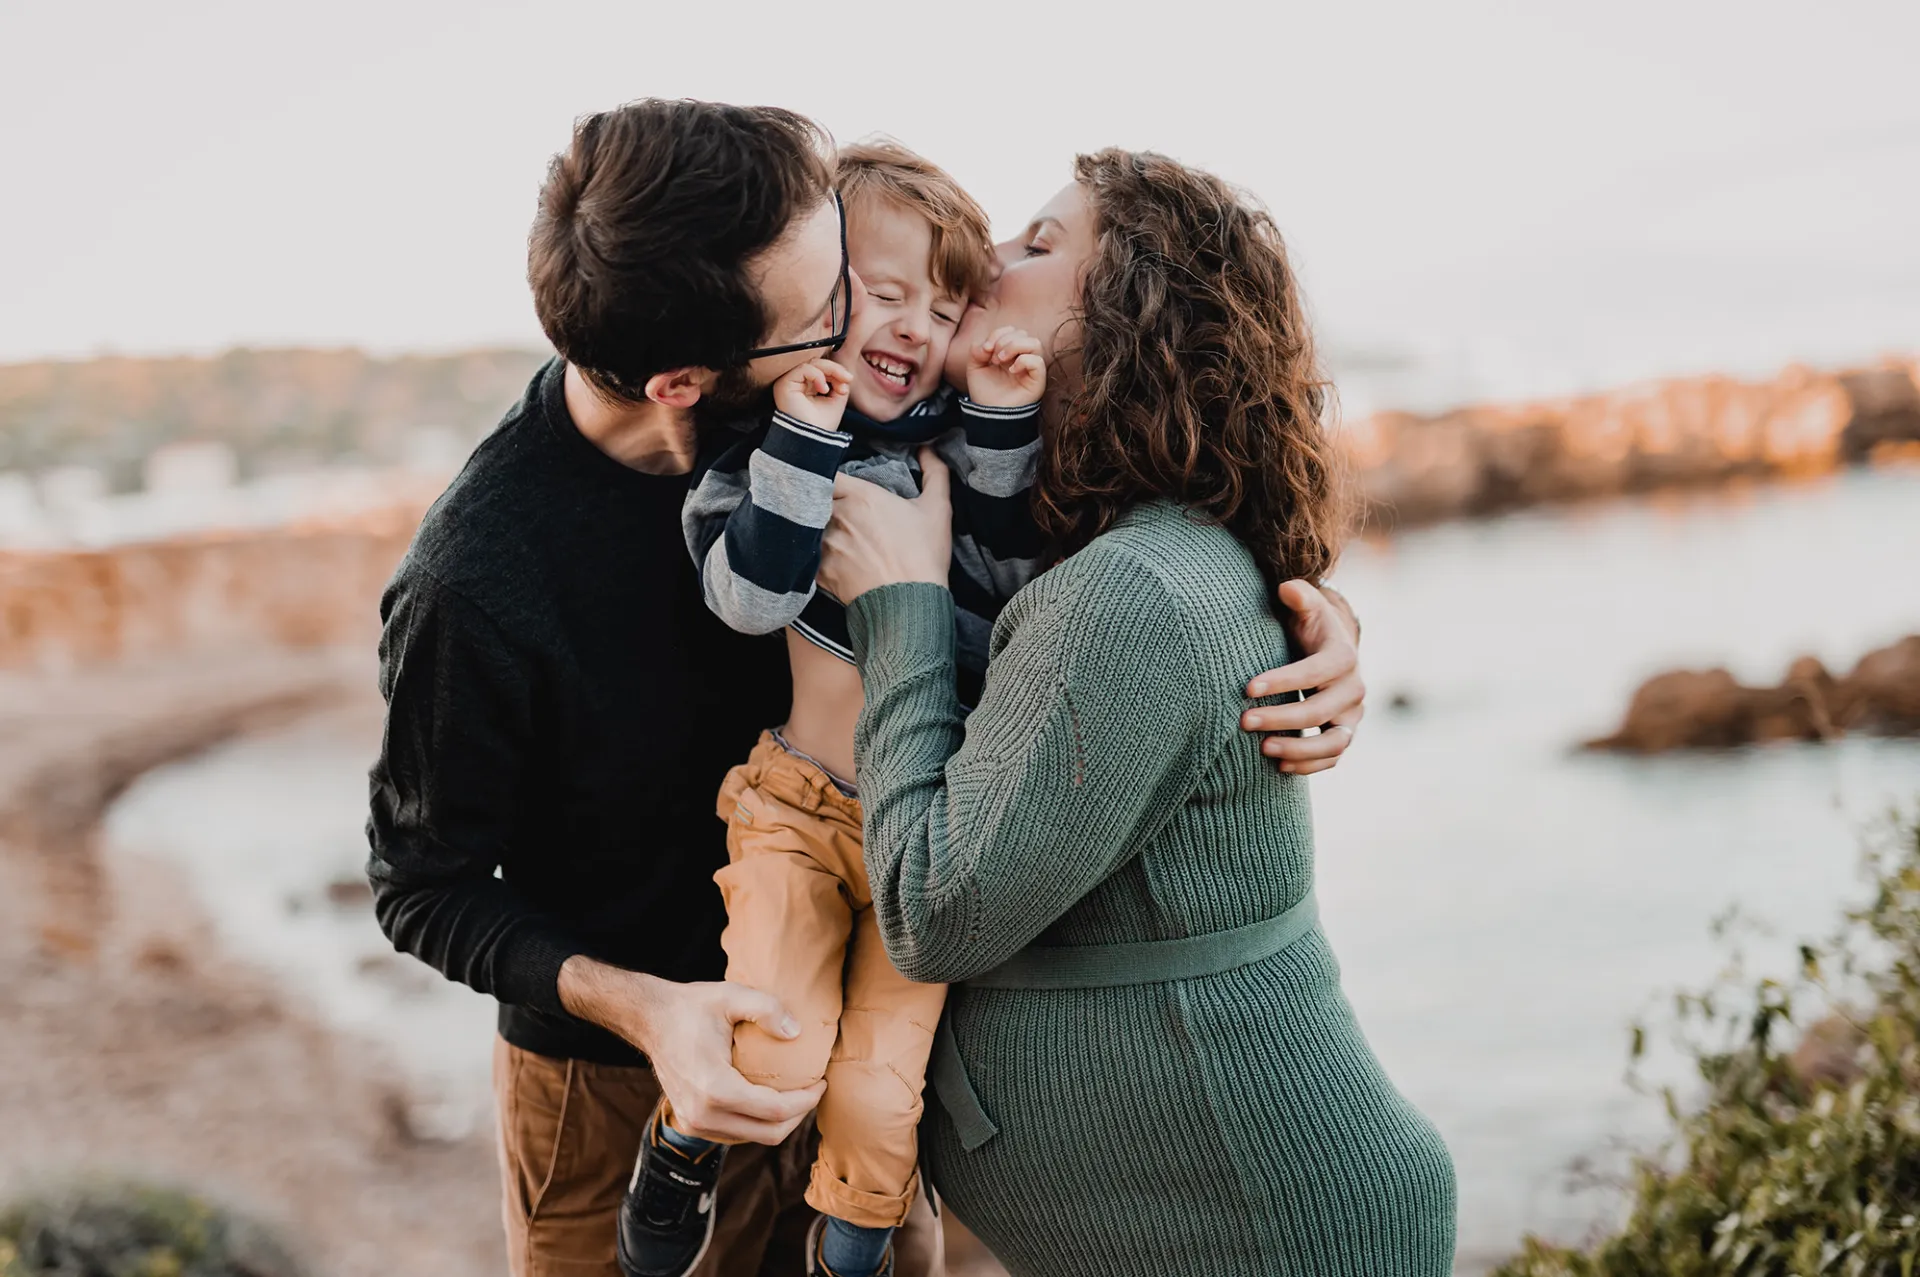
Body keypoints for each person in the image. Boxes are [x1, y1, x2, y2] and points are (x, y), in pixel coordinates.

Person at [365, 98, 1368, 1277]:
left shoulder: (878, 391)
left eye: (850, 264)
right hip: (615, 1088)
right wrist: (650, 1011)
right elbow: (420, 887)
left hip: (869, 1025)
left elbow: (1134, 516)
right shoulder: (477, 582)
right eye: (831, 306)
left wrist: (1304, 620)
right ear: (690, 380)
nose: (878, 319)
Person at [816, 149, 1455, 1276]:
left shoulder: (1131, 586)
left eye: (1037, 244)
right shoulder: (1082, 544)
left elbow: (935, 908)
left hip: (1270, 1236)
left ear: (1128, 316)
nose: (980, 265)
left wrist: (902, 610)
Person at [626, 141, 1044, 1277]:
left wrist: (1003, 419)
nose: (916, 323)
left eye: (946, 305)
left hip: (927, 830)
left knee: (879, 1093)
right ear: (817, 300)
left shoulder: (957, 451)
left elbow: (1008, 587)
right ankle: (679, 1142)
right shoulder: (751, 459)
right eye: (887, 293)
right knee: (780, 1052)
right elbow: (756, 599)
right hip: (798, 812)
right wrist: (807, 434)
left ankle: (847, 1252)